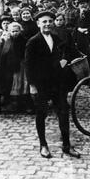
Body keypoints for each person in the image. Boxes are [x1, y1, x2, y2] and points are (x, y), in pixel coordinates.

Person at [25, 11, 80, 159]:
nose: (47, 24)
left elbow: (66, 54)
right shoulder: (33, 41)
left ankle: (67, 145)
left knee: (63, 113)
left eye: (50, 21)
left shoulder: (57, 38)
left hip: (58, 84)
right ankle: (43, 145)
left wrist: (63, 62)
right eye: (44, 22)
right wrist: (32, 86)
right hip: (41, 85)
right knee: (41, 114)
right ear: (38, 24)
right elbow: (28, 66)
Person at [0, 22, 30, 113]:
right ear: (9, 31)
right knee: (10, 84)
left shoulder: (24, 40)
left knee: (21, 84)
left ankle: (23, 104)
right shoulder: (7, 41)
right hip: (9, 66)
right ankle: (12, 103)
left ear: (20, 31)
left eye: (17, 31)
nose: (15, 33)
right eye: (12, 31)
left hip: (21, 66)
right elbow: (4, 54)